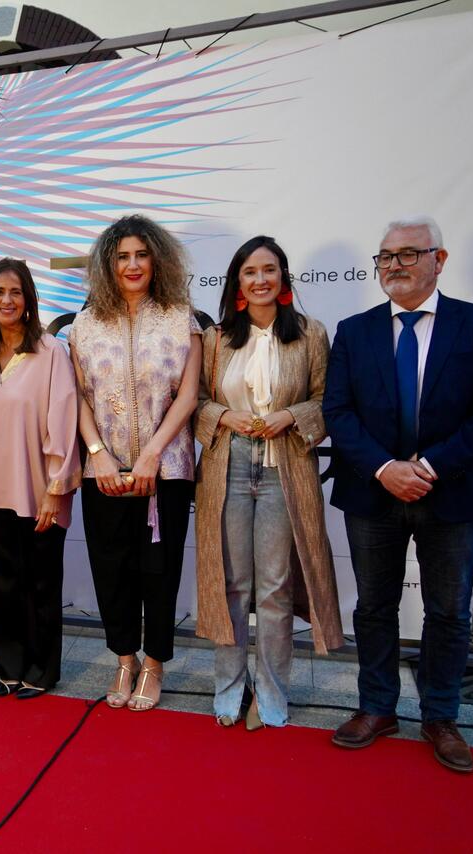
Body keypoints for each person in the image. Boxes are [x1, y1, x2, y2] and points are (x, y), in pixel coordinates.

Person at [323, 216, 473, 773]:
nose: (395, 265)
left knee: (449, 611)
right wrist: (386, 468)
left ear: (440, 260)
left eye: (409, 253)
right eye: (386, 256)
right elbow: (338, 412)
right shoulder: (354, 331)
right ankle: (376, 707)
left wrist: (426, 467)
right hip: (373, 491)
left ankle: (440, 716)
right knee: (374, 607)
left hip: (452, 491)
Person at [194, 236, 344, 729]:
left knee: (276, 587)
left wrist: (291, 415)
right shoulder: (215, 339)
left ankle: (271, 692)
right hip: (229, 465)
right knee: (232, 583)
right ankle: (229, 685)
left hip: (286, 466)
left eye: (269, 270)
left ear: (283, 277)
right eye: (250, 271)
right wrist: (225, 416)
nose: (260, 279)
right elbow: (195, 402)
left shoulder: (310, 333)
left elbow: (327, 400)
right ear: (237, 282)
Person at [70, 215, 202, 712]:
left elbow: (188, 396)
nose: (132, 265)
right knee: (111, 569)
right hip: (102, 472)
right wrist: (98, 454)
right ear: (108, 264)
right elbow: (78, 397)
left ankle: (155, 663)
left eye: (141, 255)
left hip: (165, 471)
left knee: (159, 572)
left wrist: (151, 456)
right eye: (122, 256)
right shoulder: (84, 325)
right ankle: (124, 659)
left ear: (157, 260)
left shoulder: (181, 318)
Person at [0, 258, 81, 700]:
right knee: (4, 583)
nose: (7, 300)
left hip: (41, 490)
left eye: (15, 292)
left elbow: (65, 420)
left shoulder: (51, 352)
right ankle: (10, 666)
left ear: (29, 299)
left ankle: (42, 669)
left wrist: (56, 489)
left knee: (41, 583)